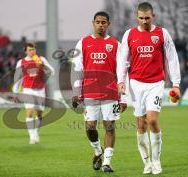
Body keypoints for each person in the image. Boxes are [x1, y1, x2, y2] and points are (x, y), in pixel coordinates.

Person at [117, 2, 181, 175]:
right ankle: (146, 163)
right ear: (137, 17)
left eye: (147, 17)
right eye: (141, 18)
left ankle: (156, 160)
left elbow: (172, 58)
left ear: (153, 16)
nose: (144, 21)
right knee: (141, 125)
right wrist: (120, 80)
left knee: (152, 120)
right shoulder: (129, 34)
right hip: (136, 84)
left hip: (156, 83)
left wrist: (176, 83)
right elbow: (123, 59)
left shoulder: (162, 33)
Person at [71, 11, 127, 173]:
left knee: (109, 127)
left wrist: (123, 97)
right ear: (93, 23)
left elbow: (122, 72)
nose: (100, 25)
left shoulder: (116, 45)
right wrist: (76, 91)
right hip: (89, 93)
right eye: (98, 22)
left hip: (110, 93)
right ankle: (97, 151)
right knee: (90, 127)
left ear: (108, 24)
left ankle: (107, 163)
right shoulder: (83, 43)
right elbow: (78, 69)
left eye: (104, 22)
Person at [13, 42, 55, 144]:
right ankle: (32, 137)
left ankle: (36, 132)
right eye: (30, 50)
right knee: (30, 112)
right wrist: (15, 92)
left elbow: (52, 72)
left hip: (40, 89)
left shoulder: (41, 59)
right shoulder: (21, 62)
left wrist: (43, 66)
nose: (32, 52)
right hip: (28, 90)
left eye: (34, 49)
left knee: (39, 114)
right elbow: (17, 78)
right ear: (26, 51)